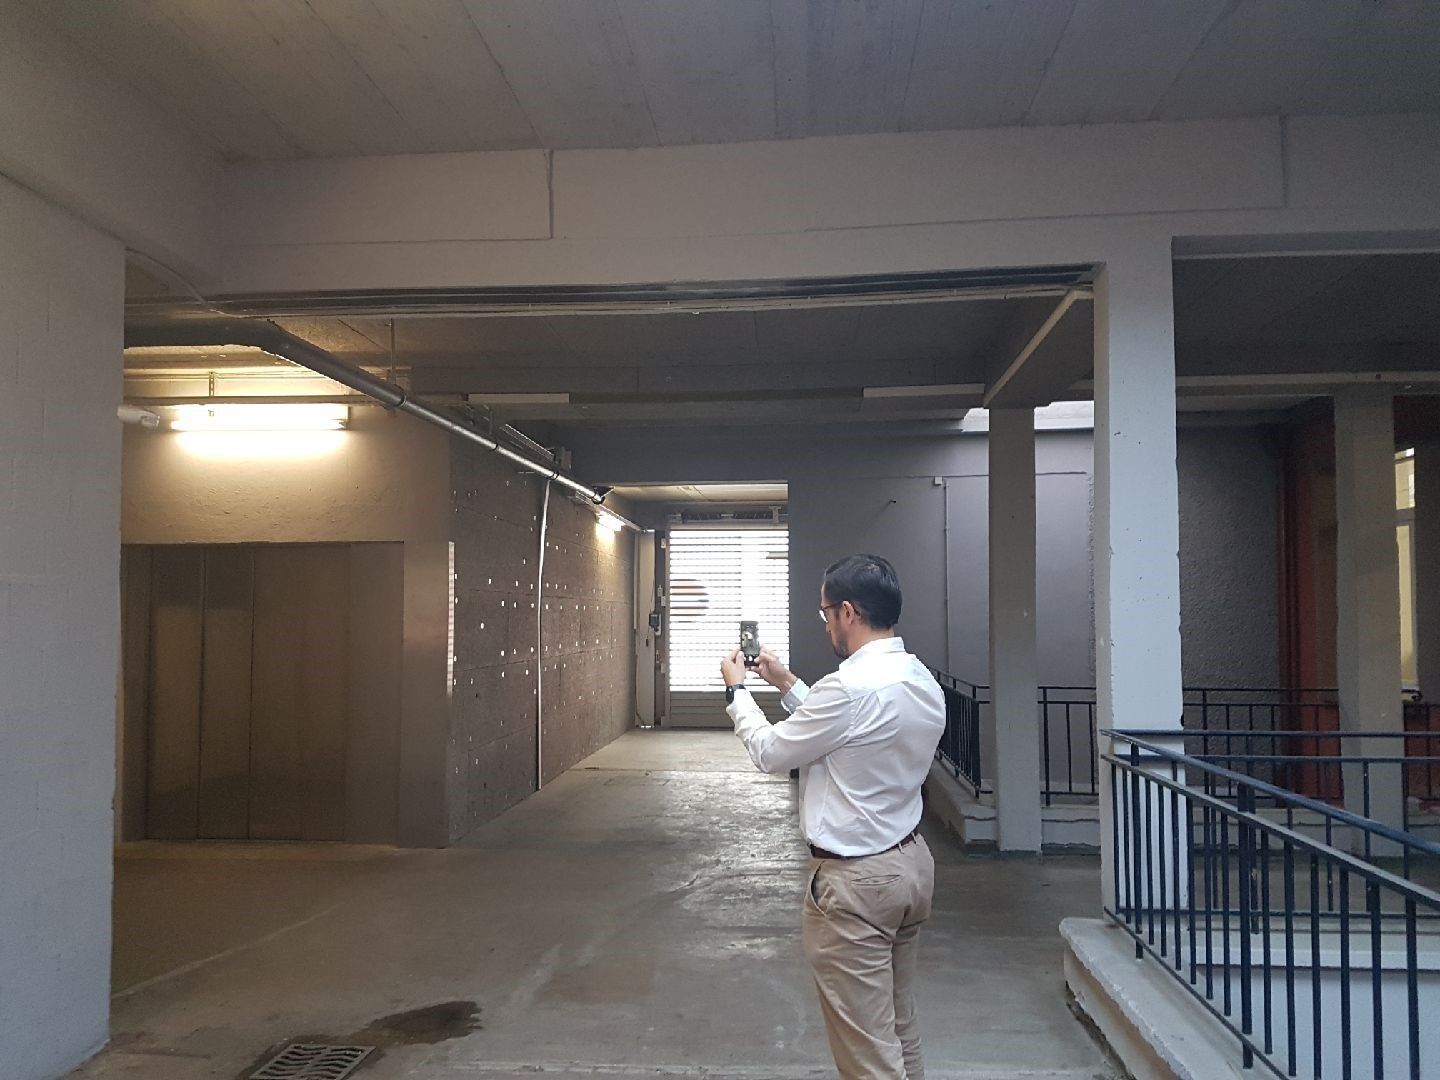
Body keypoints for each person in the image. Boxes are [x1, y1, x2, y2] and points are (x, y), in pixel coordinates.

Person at [719, 554, 945, 1080]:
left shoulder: (846, 689)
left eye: (825, 614)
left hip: (857, 886)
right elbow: (846, 733)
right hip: (910, 868)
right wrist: (784, 680)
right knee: (897, 1023)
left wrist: (737, 692)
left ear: (848, 612)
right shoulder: (918, 679)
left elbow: (773, 753)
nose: (825, 625)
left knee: (866, 1051)